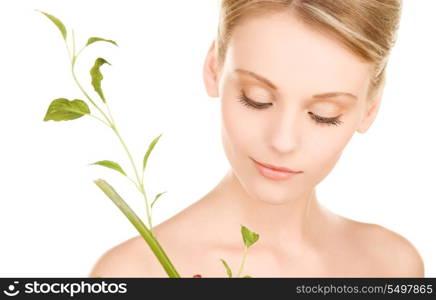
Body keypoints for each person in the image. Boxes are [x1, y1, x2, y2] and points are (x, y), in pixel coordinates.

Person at [89, 0, 425, 278]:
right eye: (256, 98)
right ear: (213, 68)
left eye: (324, 114)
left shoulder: (393, 268)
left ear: (370, 108)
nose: (282, 141)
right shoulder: (132, 274)